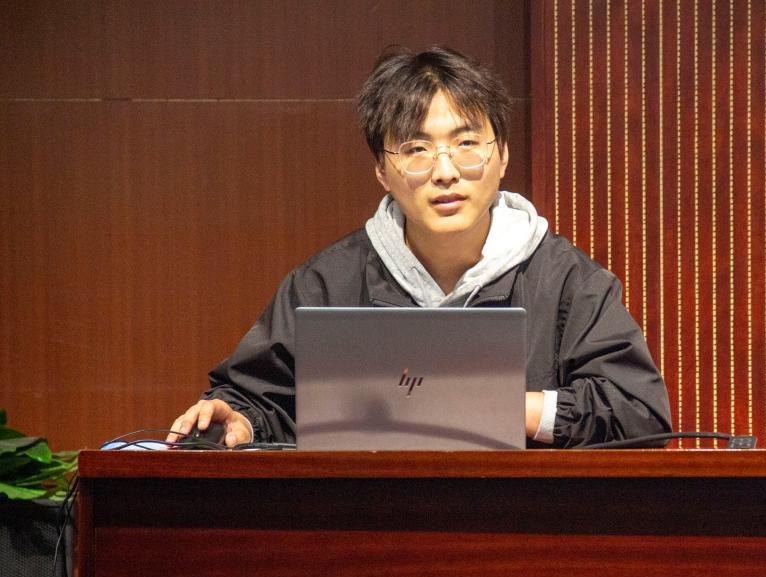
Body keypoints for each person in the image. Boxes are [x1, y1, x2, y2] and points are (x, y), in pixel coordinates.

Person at [167, 46, 671, 449]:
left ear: (502, 156)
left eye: (467, 144)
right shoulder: (326, 283)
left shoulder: (567, 282)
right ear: (382, 171)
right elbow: (259, 400)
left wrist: (498, 408)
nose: (445, 171)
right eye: (416, 149)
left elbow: (639, 413)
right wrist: (239, 421)